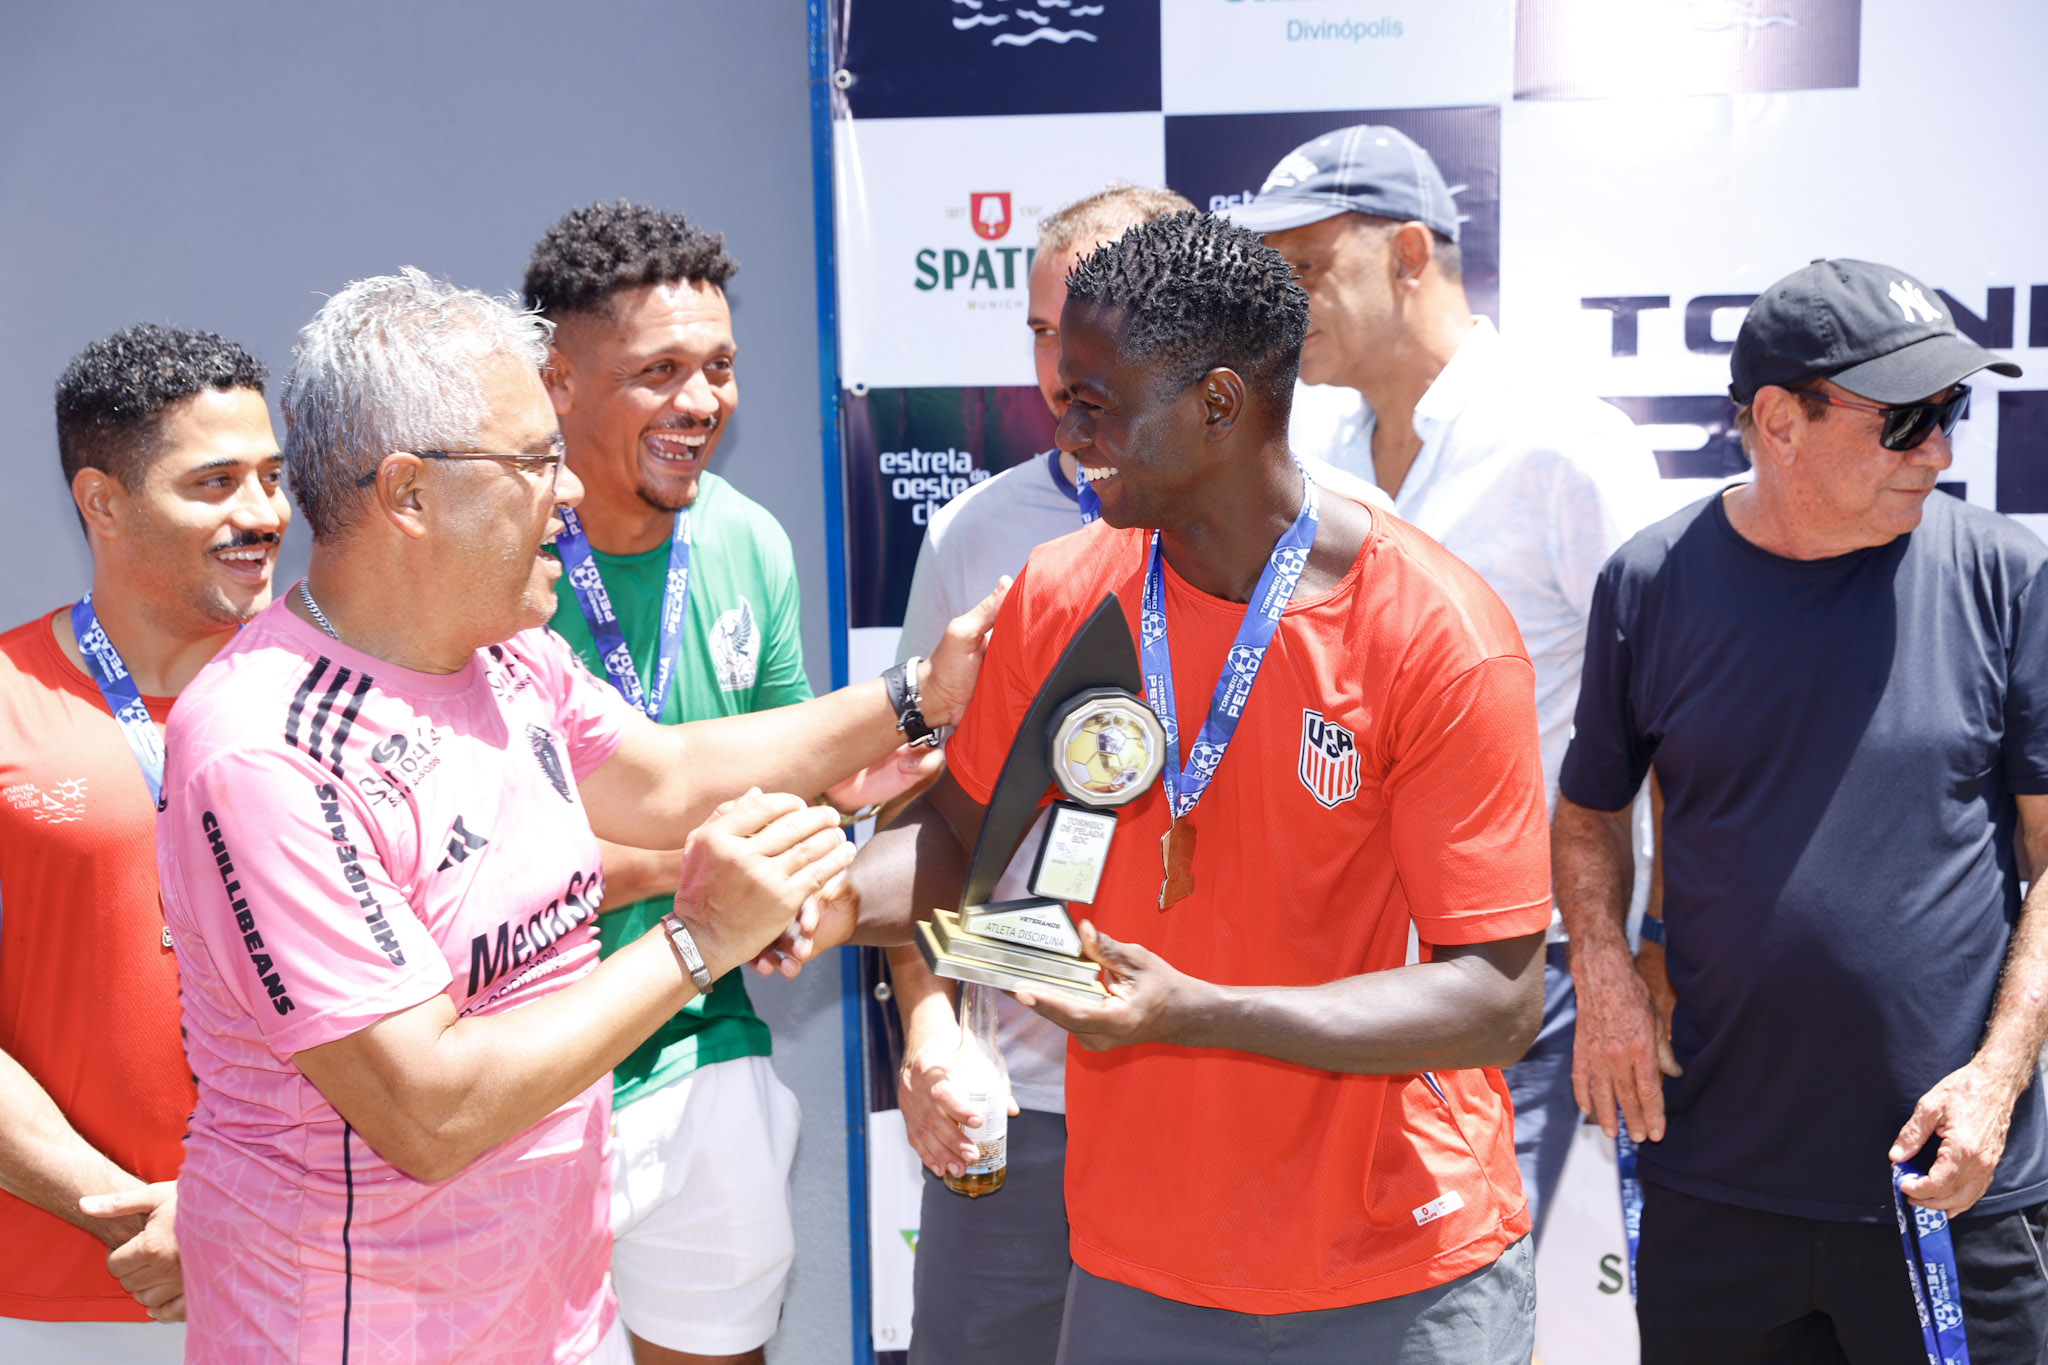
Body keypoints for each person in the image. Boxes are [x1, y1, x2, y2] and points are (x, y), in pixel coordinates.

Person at [153, 269, 1000, 1364]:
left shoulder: (508, 653)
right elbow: (431, 1110)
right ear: (409, 494)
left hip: (553, 1307)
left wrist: (922, 691)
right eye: (534, 459)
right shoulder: (267, 747)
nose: (568, 490)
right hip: (364, 1330)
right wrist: (700, 940)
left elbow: (670, 775)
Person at [820, 213, 1551, 1362]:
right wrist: (813, 901)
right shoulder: (1060, 593)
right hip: (1140, 1270)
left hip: (1397, 1274)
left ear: (1218, 404)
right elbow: (952, 843)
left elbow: (1498, 1000)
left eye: (1095, 402)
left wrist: (1199, 1012)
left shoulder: (1435, 633)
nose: (1066, 430)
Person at [887, 181, 1396, 1365]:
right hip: (1025, 1105)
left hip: (1252, 1106)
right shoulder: (976, 535)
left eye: (1098, 336)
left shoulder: (1352, 544)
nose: (1063, 372)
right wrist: (929, 1027)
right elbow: (925, 821)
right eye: (1042, 335)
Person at [1556, 258, 2048, 1361]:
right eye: (1907, 420)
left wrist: (1998, 1075)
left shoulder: (2006, 577)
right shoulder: (1649, 582)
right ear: (1779, 421)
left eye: (1952, 413)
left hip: (1946, 1181)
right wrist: (1603, 970)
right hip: (1714, 1181)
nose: (1939, 451)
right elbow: (1589, 811)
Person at [1227, 123, 1662, 1243]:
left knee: (1457, 1275)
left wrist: (1641, 952)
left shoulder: (1564, 445)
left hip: (1514, 965)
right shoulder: (1303, 451)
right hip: (1342, 961)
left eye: (1307, 267)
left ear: (1410, 252)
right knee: (1345, 1276)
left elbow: (1671, 714)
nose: (1282, 302)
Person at [524, 201, 848, 1365]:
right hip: (515, 1081)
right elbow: (486, 866)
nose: (702, 401)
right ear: (558, 381)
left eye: (718, 366)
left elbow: (797, 788)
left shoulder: (748, 539)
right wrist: (702, 876)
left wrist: (845, 809)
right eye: (658, 371)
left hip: (705, 1045)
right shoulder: (487, 560)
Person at [0, 325, 287, 1363]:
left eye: (271, 476)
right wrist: (137, 1219)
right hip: (72, 1299)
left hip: (313, 1279)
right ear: (104, 502)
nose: (264, 513)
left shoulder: (336, 705)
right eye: (215, 482)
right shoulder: (7, 703)